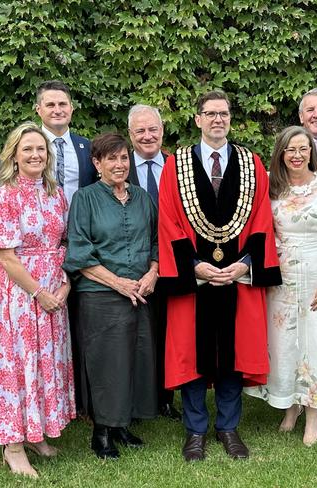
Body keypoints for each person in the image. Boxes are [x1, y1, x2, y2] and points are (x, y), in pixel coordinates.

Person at [158, 90, 281, 462]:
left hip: (236, 278)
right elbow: (168, 220)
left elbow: (261, 218)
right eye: (209, 113)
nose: (217, 120)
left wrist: (244, 264)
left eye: (223, 114)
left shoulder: (251, 162)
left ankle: (228, 427)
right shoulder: (175, 164)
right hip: (194, 279)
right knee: (191, 355)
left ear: (230, 119)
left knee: (234, 354)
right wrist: (195, 266)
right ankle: (195, 430)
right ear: (197, 119)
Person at [245, 126, 317, 446]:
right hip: (282, 276)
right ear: (281, 153)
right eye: (290, 150)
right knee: (285, 342)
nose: (297, 155)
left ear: (311, 151)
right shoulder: (271, 188)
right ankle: (290, 404)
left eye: (303, 149)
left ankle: (313, 414)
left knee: (315, 342)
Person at [0, 122, 75, 478]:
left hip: (54, 291)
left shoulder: (56, 193)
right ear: (14, 156)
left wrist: (63, 288)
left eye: (41, 149)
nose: (36, 155)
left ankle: (36, 433)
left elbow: (65, 244)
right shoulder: (3, 195)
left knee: (46, 363)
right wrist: (39, 292)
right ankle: (13, 446)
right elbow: (6, 257)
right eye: (28, 150)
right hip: (21, 296)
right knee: (20, 366)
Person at [63, 132, 159, 460]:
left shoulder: (143, 198)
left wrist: (152, 273)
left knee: (135, 358)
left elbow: (158, 240)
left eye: (123, 158)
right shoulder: (85, 199)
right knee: (106, 364)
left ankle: (120, 424)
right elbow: (79, 252)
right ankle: (101, 432)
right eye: (111, 159)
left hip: (141, 291)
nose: (119, 165)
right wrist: (117, 282)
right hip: (100, 293)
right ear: (96, 163)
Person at [35, 80, 98, 416]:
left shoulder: (86, 148)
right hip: (41, 248)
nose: (57, 110)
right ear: (39, 110)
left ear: (71, 109)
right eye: (50, 105)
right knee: (46, 327)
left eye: (63, 104)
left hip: (78, 243)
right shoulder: (29, 146)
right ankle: (49, 400)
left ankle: (80, 399)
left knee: (80, 322)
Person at [127, 104, 181, 420]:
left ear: (162, 130)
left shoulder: (178, 166)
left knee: (168, 332)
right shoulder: (119, 168)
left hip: (172, 263)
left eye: (153, 129)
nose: (147, 136)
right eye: (140, 131)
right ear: (131, 135)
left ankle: (165, 398)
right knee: (134, 333)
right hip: (132, 266)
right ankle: (134, 399)